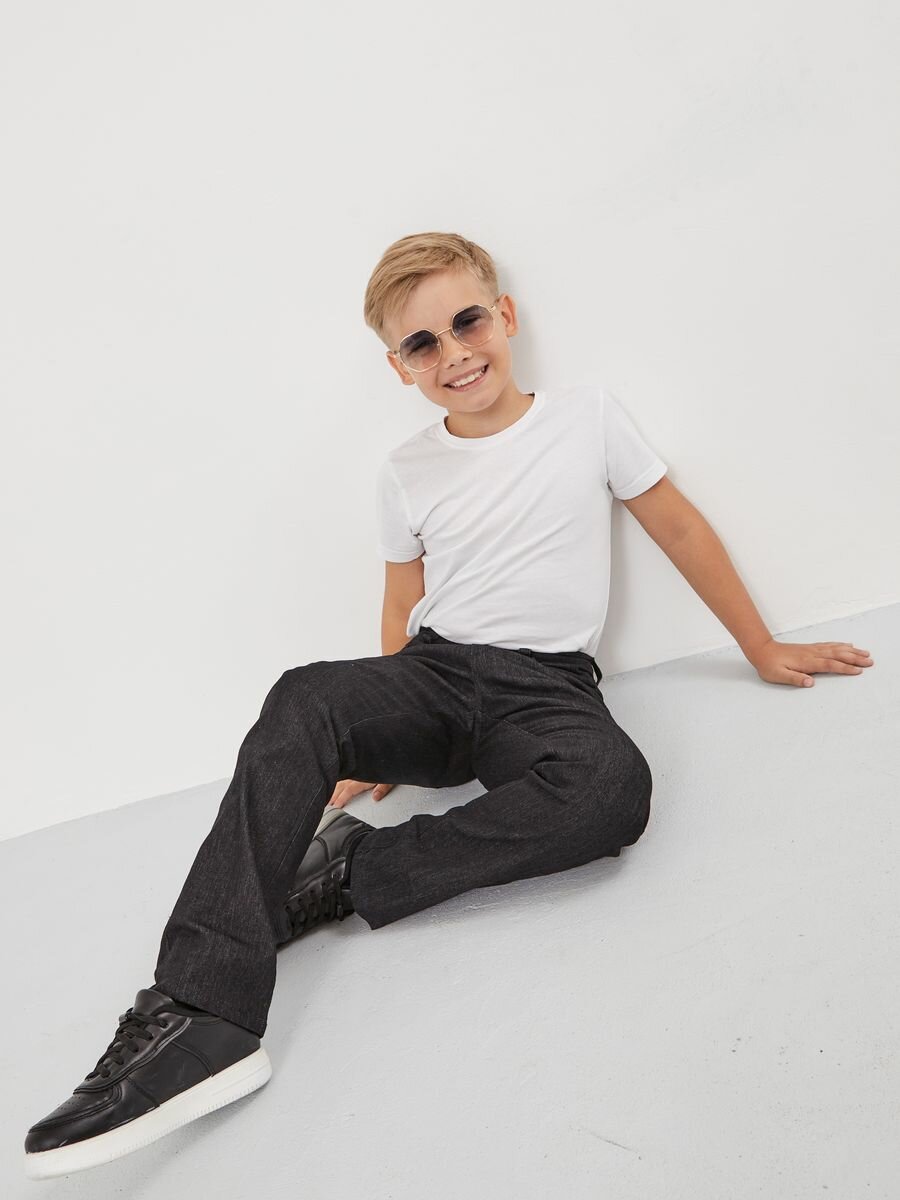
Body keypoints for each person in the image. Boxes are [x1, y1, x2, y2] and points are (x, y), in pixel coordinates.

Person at [24, 231, 875, 1179]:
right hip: (433, 675)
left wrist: (759, 647)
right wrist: (374, 739)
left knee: (611, 790)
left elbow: (675, 524)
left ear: (504, 317)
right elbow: (403, 598)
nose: (455, 353)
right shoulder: (407, 470)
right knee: (303, 695)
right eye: (423, 344)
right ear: (400, 366)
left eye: (468, 322)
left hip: (546, 686)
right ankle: (198, 1014)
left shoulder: (587, 417)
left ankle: (347, 872)